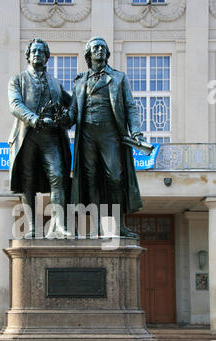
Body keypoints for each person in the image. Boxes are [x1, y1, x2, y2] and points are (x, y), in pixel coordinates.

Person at [68, 37, 144, 238]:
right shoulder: (79, 81)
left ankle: (119, 225)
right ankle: (97, 227)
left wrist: (136, 131)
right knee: (91, 179)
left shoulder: (119, 78)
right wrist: (57, 120)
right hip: (87, 135)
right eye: (95, 47)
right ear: (88, 54)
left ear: (108, 53)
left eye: (103, 47)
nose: (100, 50)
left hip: (110, 134)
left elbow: (130, 107)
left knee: (116, 177)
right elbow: (72, 112)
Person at [8, 38, 71, 238]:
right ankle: (33, 228)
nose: (37, 54)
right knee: (28, 181)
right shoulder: (17, 80)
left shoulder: (55, 83)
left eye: (41, 52)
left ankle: (59, 225)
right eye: (34, 51)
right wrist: (34, 119)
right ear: (28, 55)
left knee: (58, 177)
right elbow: (15, 105)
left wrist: (66, 117)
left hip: (51, 137)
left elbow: (71, 106)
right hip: (27, 136)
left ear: (46, 57)